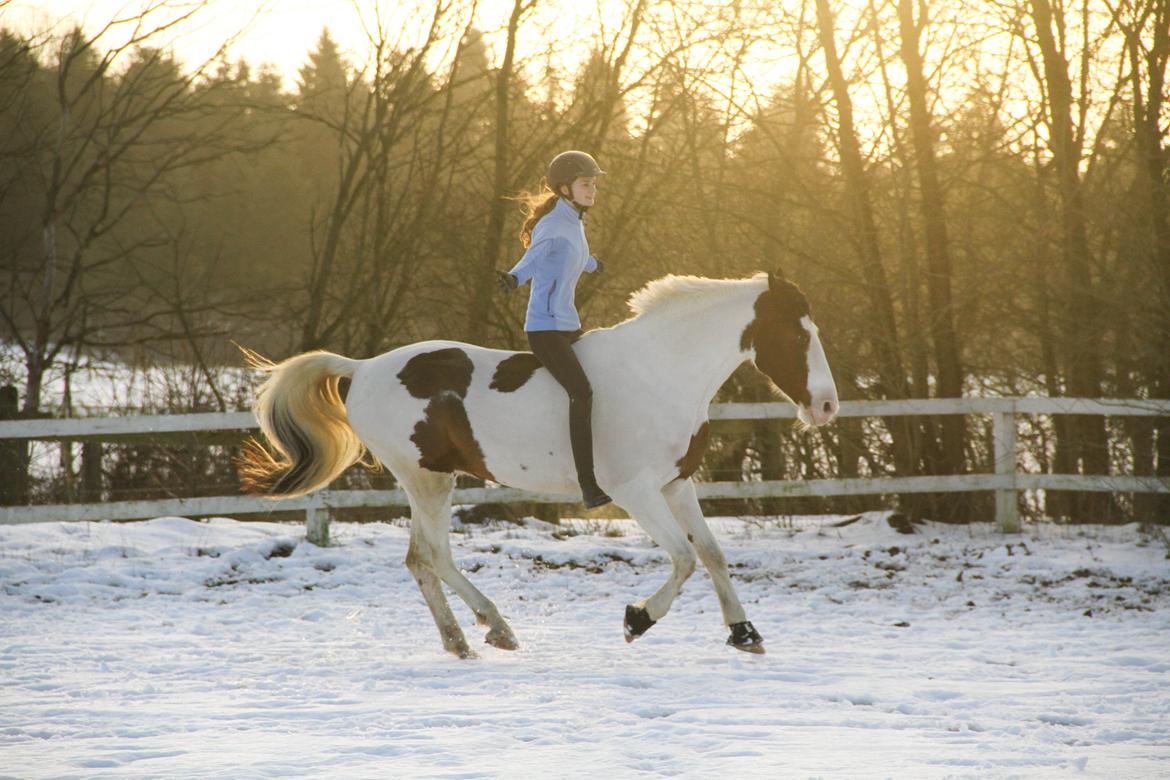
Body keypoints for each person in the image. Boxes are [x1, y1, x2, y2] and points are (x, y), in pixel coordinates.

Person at [497, 150, 612, 509]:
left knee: (599, 381)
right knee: (582, 393)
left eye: (593, 184)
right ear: (565, 188)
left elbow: (571, 256)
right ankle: (588, 484)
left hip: (568, 325)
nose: (592, 190)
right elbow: (534, 258)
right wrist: (515, 278)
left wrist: (592, 264)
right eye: (585, 184)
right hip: (545, 330)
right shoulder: (552, 225)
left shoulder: (574, 222)